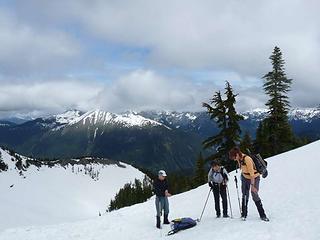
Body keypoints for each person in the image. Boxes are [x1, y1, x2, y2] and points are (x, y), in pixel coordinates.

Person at [228, 147, 269, 221]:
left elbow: (252, 175)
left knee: (254, 194)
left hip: (254, 177)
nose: (234, 159)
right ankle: (244, 214)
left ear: (237, 154)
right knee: (245, 194)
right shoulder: (239, 159)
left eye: (234, 157)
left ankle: (262, 215)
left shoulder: (247, 159)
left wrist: (252, 186)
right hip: (245, 177)